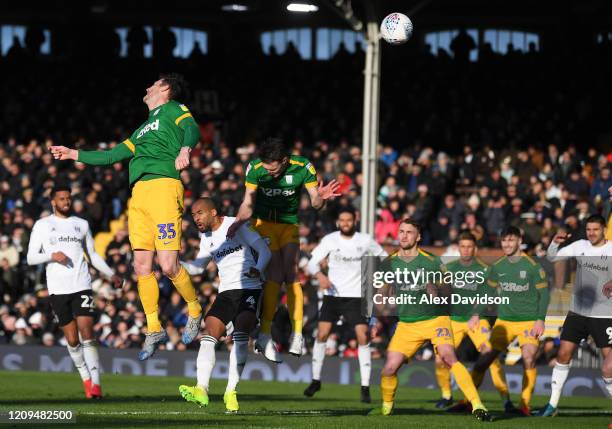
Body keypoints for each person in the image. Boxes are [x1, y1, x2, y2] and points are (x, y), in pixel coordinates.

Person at [50, 73, 203, 361]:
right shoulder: (142, 129)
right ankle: (153, 328)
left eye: (154, 84)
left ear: (166, 89)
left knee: (168, 264)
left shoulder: (174, 109)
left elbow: (192, 128)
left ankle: (194, 308)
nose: (147, 87)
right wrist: (73, 154)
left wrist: (185, 148)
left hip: (163, 188)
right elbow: (110, 156)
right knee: (141, 265)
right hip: (139, 196)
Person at [227, 138, 340, 362]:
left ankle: (297, 335)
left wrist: (321, 198)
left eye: (274, 168)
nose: (269, 173)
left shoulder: (303, 167)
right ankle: (266, 332)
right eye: (266, 168)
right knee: (276, 274)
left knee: (291, 273)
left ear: (285, 161)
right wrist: (238, 222)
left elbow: (316, 202)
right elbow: (247, 202)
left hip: (290, 225)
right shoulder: (255, 168)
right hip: (264, 224)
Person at [368, 219, 491, 421]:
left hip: (436, 320)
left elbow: (448, 291)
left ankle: (477, 405)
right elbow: (380, 293)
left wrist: (436, 291)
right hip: (408, 324)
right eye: (401, 232)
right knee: (389, 369)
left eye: (409, 232)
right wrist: (375, 320)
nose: (404, 236)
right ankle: (386, 407)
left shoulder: (432, 261)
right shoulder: (390, 262)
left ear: (418, 237)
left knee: (449, 357)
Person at [26, 186, 122, 399]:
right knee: (72, 340)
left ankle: (96, 386)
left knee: (87, 331)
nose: (66, 202)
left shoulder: (81, 224)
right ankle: (85, 378)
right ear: (53, 202)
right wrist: (52, 255)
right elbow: (31, 257)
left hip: (81, 284)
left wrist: (111, 274)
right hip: (58, 289)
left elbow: (93, 255)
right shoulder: (43, 225)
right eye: (62, 199)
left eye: (68, 198)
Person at [178, 198, 271, 413]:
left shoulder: (236, 225)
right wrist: (174, 263)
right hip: (226, 293)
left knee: (240, 335)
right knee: (209, 333)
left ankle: (231, 391)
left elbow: (264, 251)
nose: (196, 219)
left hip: (249, 288)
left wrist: (258, 268)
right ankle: (201, 389)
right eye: (193, 216)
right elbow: (198, 268)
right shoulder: (206, 238)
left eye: (200, 213)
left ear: (213, 211)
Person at [303, 207, 387, 403]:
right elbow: (312, 262)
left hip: (356, 296)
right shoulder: (330, 240)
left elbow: (383, 258)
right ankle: (316, 380)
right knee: (322, 334)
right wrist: (320, 276)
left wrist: (383, 280)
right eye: (342, 220)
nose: (345, 223)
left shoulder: (365, 240)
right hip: (333, 296)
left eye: (349, 220)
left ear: (354, 221)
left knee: (363, 336)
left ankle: (365, 387)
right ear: (338, 222)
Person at [469, 226, 549, 416]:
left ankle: (524, 405)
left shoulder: (532, 265)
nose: (506, 244)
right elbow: (487, 293)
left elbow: (544, 295)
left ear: (519, 241)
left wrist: (540, 320)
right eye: (504, 240)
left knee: (528, 357)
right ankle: (468, 401)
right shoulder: (498, 267)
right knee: (482, 363)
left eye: (511, 240)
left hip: (528, 322)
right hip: (504, 322)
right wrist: (476, 314)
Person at [536, 215, 612, 416]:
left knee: (609, 365)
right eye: (588, 229)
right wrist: (554, 243)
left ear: (604, 229)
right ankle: (552, 405)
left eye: (595, 229)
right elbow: (553, 257)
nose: (591, 233)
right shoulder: (580, 245)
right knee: (563, 354)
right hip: (577, 313)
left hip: (604, 315)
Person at [435, 231, 511, 410]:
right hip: (454, 320)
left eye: (469, 246)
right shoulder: (448, 269)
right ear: (458, 248)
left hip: (478, 320)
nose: (466, 250)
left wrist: (476, 313)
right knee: (440, 358)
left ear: (475, 249)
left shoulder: (485, 269)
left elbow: (489, 295)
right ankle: (446, 396)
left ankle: (506, 400)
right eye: (463, 246)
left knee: (490, 356)